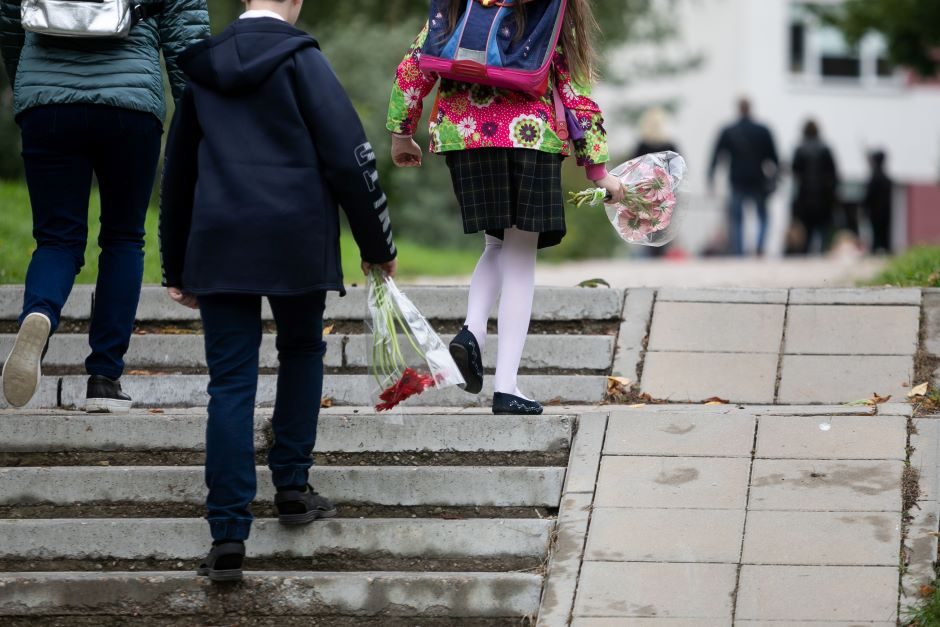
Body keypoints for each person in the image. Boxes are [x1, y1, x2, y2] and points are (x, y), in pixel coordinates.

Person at [159, 0, 397, 582]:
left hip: (220, 241)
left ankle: (226, 536)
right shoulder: (303, 61)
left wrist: (175, 265)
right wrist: (378, 242)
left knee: (231, 382)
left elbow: (179, 171)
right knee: (301, 351)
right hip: (296, 236)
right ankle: (291, 486)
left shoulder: (202, 70)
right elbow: (349, 156)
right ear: (295, 3)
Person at [387, 0, 621, 416]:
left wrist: (402, 133)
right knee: (519, 255)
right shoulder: (545, 8)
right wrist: (598, 168)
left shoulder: (462, 5)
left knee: (495, 243)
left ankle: (472, 330)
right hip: (528, 136)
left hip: (466, 135)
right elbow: (574, 90)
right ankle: (507, 386)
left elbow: (414, 65)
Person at [0, 0, 209, 410]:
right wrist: (197, 122)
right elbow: (187, 36)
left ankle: (38, 315)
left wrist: (25, 80)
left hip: (47, 101)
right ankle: (104, 378)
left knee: (57, 238)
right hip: (130, 106)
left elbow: (10, 17)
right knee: (123, 238)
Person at [708, 98, 780, 256]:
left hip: (737, 180)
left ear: (738, 109)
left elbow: (716, 156)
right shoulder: (763, 130)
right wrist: (775, 180)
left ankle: (739, 252)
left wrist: (711, 178)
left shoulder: (729, 131)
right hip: (758, 180)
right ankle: (759, 247)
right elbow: (774, 159)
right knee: (762, 217)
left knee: (737, 219)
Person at [790, 120, 839, 254]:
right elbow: (834, 174)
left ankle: (807, 254)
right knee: (823, 227)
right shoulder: (825, 149)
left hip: (805, 196)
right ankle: (822, 251)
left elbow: (794, 173)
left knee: (807, 229)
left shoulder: (800, 149)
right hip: (824, 196)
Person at [865, 150, 893, 254]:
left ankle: (875, 248)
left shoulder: (874, 177)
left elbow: (868, 195)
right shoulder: (886, 177)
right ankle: (884, 248)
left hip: (875, 211)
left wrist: (864, 207)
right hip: (885, 210)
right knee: (883, 232)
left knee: (876, 231)